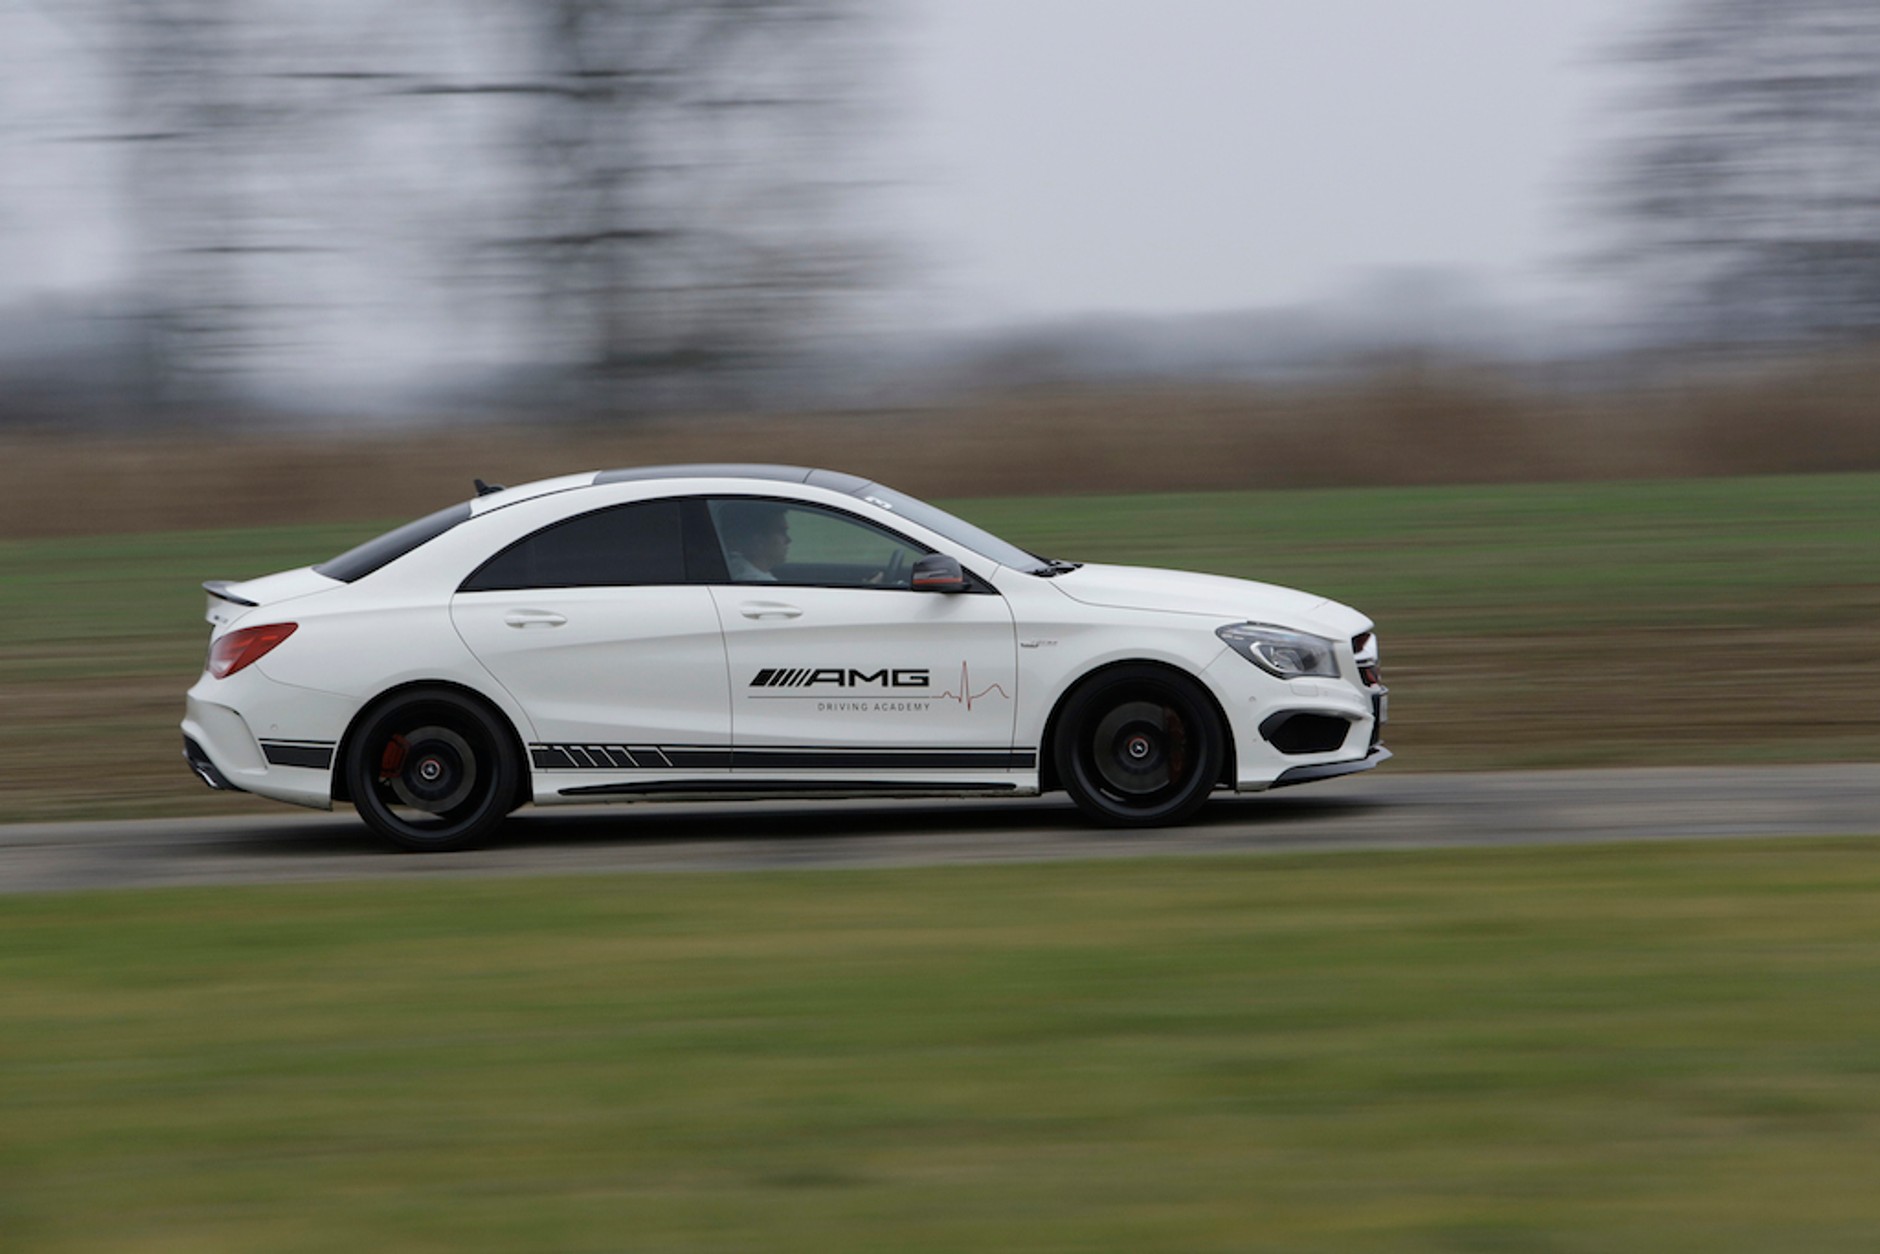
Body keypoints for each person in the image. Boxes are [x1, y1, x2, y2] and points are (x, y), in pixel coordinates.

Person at [718, 502, 791, 581]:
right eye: (781, 532)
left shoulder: (733, 567)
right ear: (758, 541)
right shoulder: (757, 581)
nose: (789, 540)